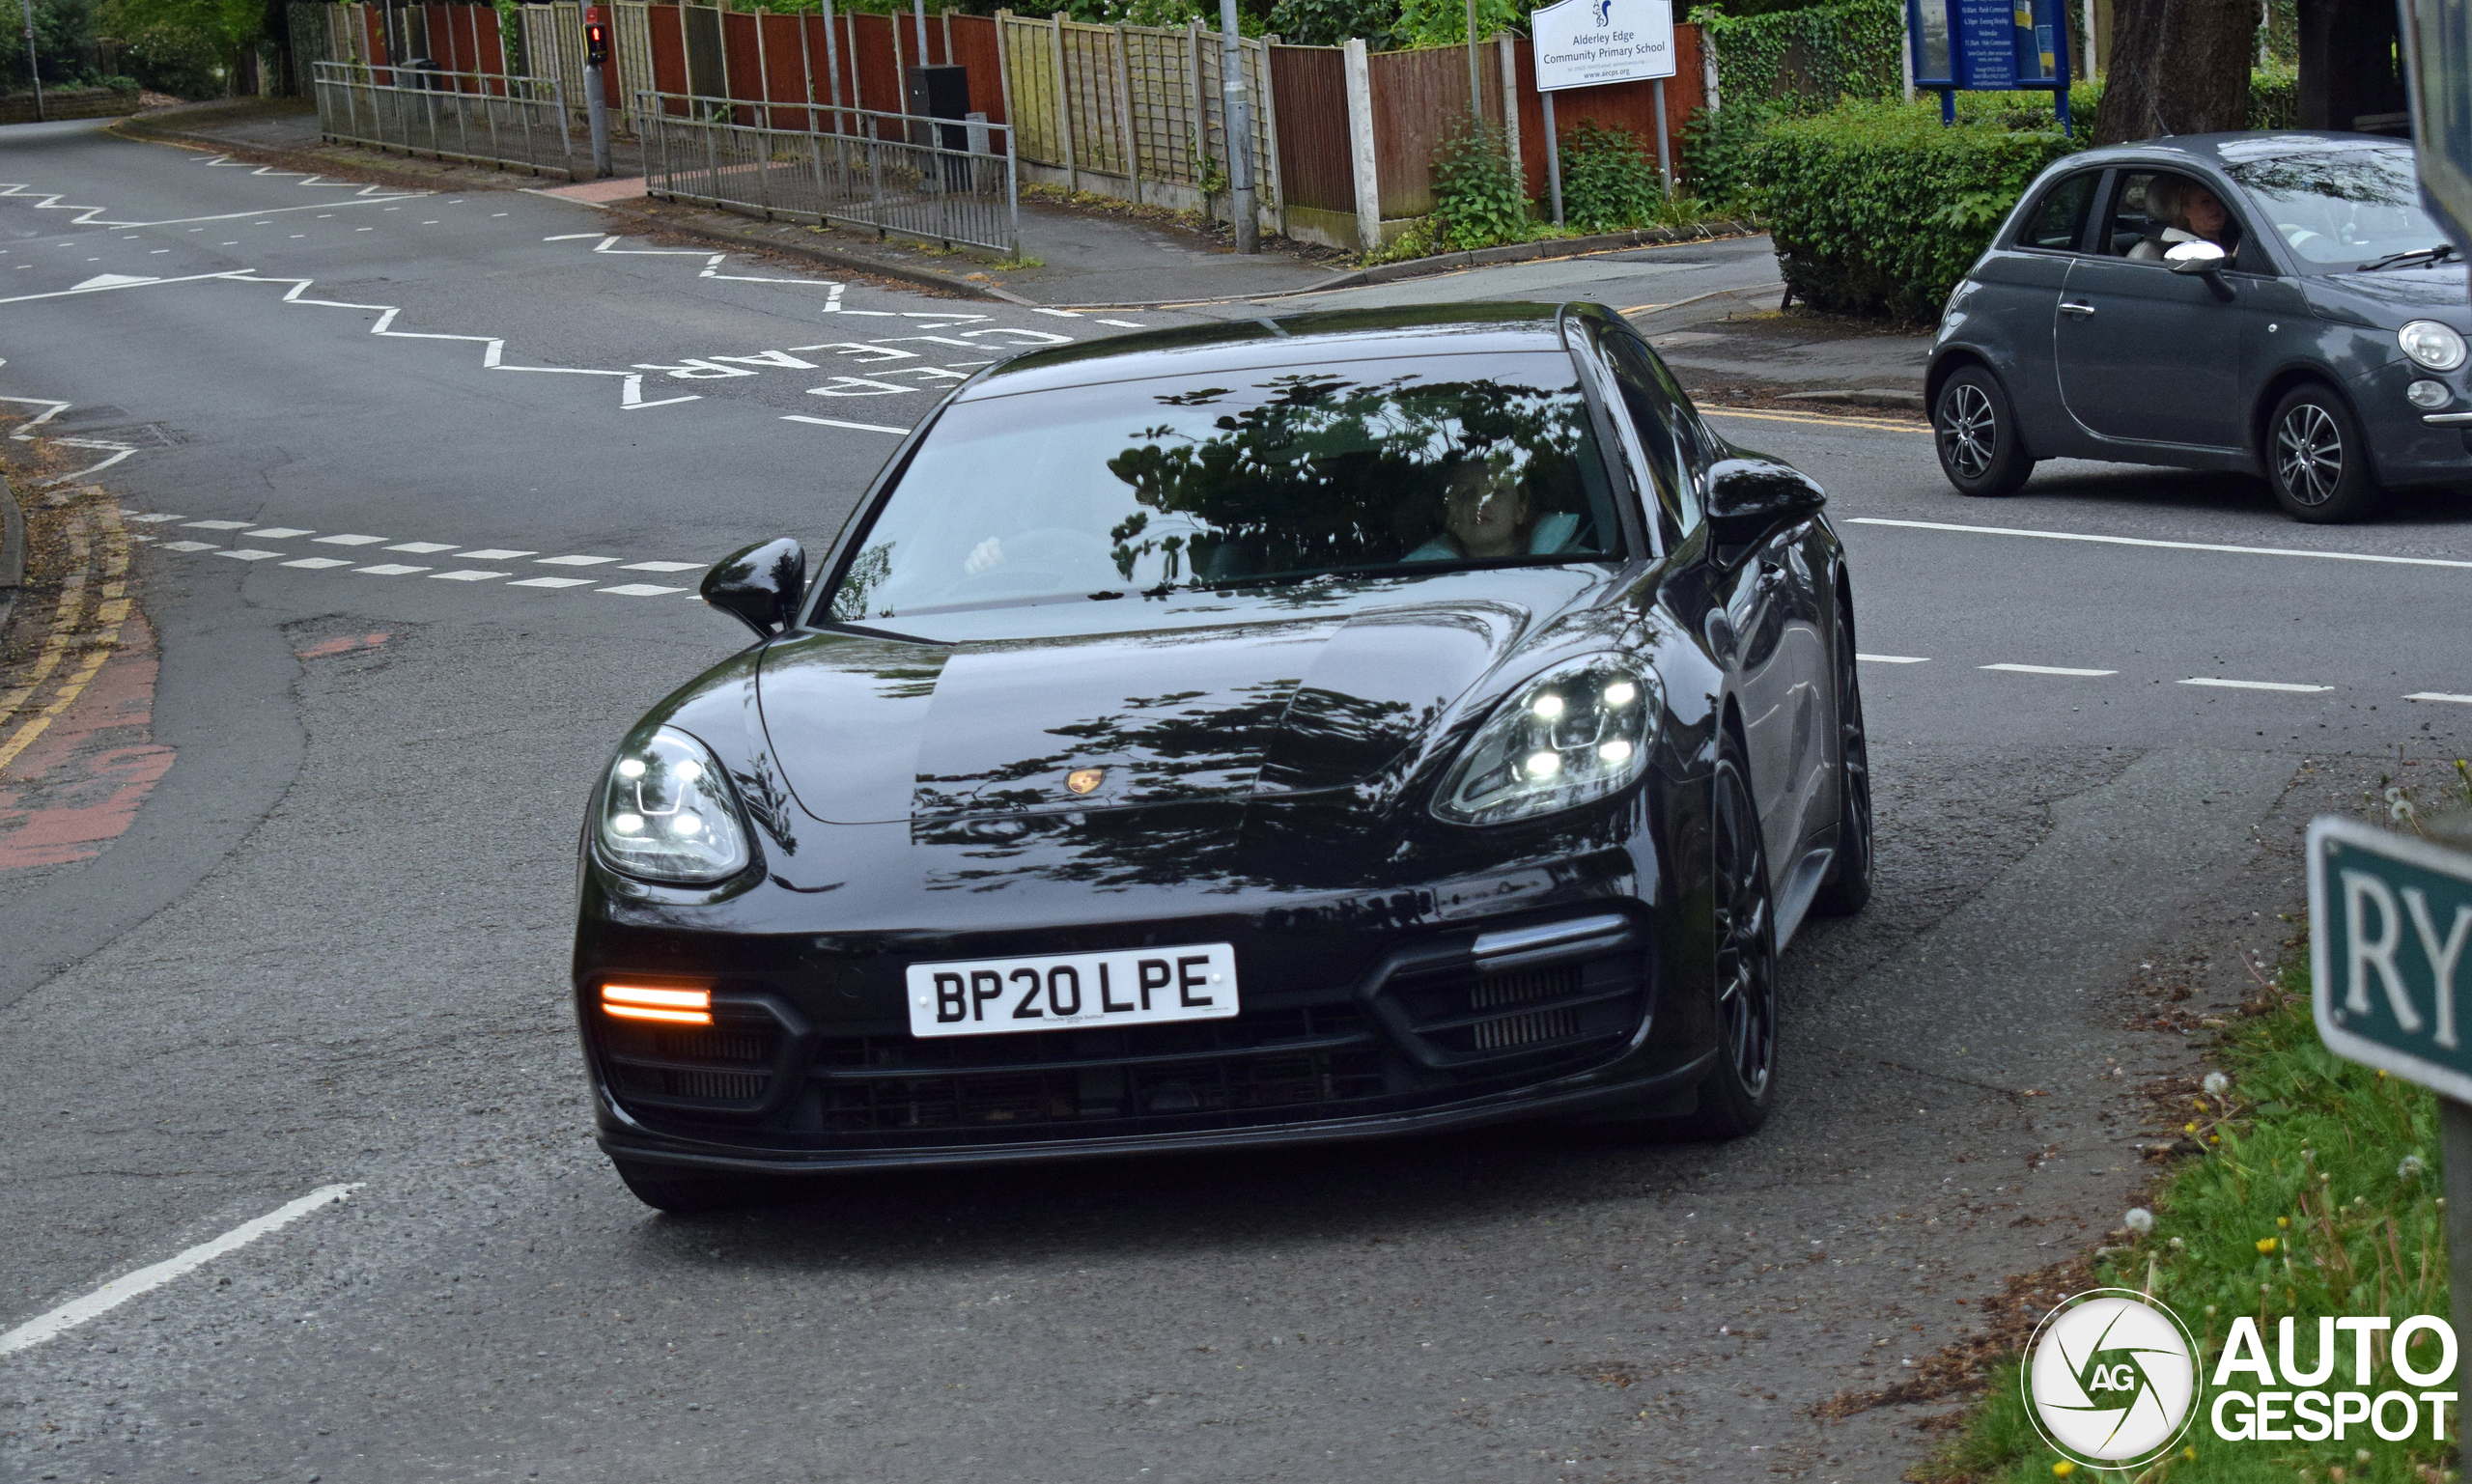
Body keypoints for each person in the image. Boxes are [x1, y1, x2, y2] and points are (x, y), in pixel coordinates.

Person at [1406, 458, 1535, 561]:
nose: (1481, 502)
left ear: (1520, 511)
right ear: (1450, 517)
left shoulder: (1552, 563)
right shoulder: (1421, 574)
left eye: (1497, 491)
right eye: (1466, 494)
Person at [2128, 175, 2242, 262]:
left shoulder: (2234, 233)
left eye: (2219, 199)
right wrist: (2232, 258)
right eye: (2205, 202)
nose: (2216, 206)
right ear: (2185, 210)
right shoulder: (2178, 247)